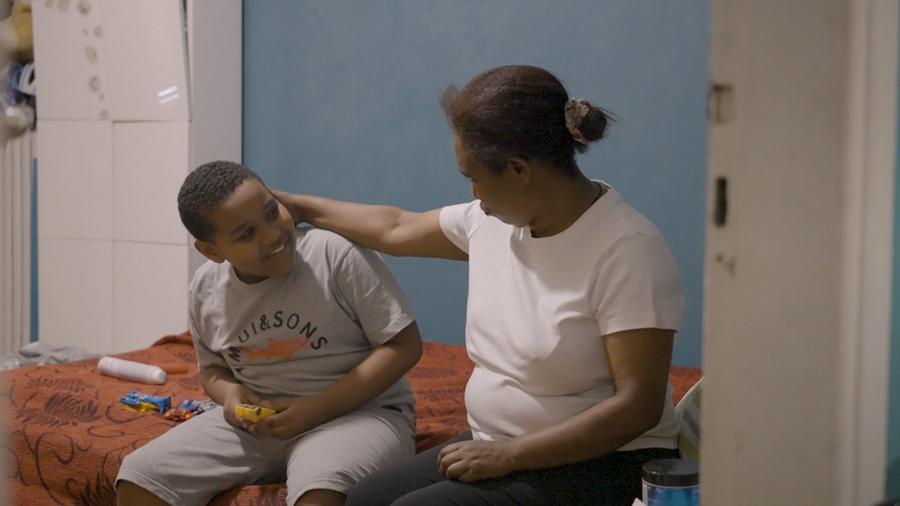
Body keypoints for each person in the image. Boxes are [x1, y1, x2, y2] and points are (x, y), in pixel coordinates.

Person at [275, 65, 685, 505]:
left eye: (473, 176)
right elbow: (395, 227)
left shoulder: (628, 249)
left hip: (604, 460)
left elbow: (638, 407)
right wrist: (298, 207)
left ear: (518, 169)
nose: (473, 194)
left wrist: (511, 455)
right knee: (362, 500)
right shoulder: (493, 222)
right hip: (500, 442)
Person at [115, 161, 423, 506]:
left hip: (360, 414)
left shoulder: (333, 254)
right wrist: (231, 397)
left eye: (271, 212)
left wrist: (314, 410)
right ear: (212, 251)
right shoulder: (206, 288)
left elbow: (403, 345)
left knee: (320, 492)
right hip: (260, 428)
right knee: (139, 478)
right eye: (246, 234)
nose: (272, 234)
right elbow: (214, 371)